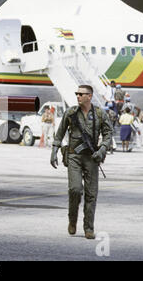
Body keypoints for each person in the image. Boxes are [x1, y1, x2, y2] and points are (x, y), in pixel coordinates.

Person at [51, 85, 113, 239]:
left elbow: (108, 133)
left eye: (81, 94)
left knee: (91, 194)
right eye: (76, 94)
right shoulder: (71, 113)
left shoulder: (99, 114)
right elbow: (60, 133)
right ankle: (72, 219)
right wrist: (54, 151)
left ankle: (89, 228)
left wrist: (102, 149)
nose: (78, 96)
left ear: (89, 96)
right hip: (74, 156)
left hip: (92, 158)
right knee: (75, 189)